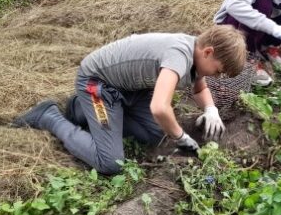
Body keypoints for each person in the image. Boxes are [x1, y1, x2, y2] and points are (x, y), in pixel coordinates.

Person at [14, 25, 246, 175]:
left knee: (155, 135)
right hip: (97, 85)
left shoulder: (196, 54)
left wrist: (211, 109)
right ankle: (51, 116)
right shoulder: (179, 55)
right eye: (218, 71)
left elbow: (199, 88)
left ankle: (80, 111)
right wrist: (181, 136)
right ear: (208, 52)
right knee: (110, 162)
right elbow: (159, 107)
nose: (217, 76)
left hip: (132, 89)